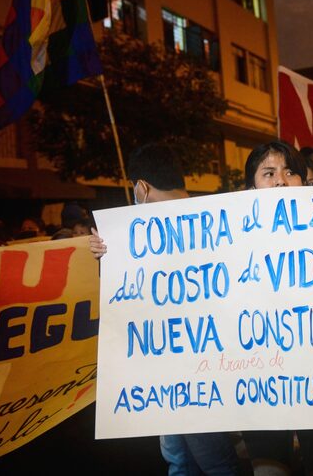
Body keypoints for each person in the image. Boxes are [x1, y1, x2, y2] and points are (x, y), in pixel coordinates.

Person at [89, 143, 242, 476]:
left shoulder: (140, 233)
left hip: (185, 374)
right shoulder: (222, 220)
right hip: (197, 369)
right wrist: (108, 256)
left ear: (141, 188)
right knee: (183, 458)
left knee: (206, 462)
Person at [241, 140, 313, 476]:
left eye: (290, 172)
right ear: (251, 186)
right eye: (268, 173)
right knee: (269, 467)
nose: (281, 181)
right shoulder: (227, 238)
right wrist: (113, 253)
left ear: (305, 182)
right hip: (258, 379)